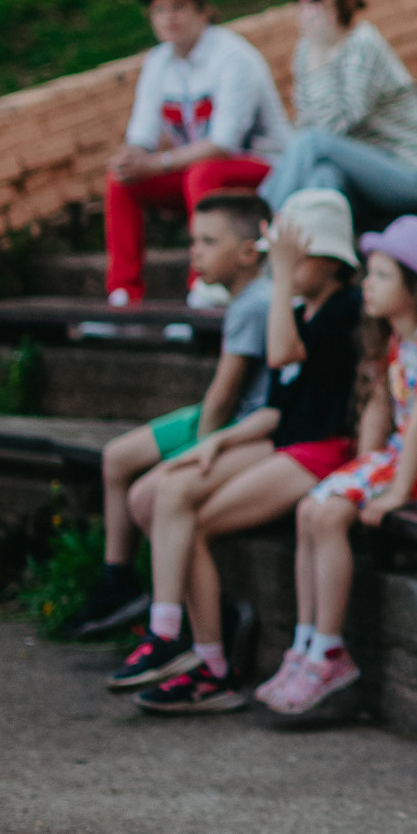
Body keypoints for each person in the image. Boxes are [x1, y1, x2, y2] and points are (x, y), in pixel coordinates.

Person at [108, 191, 363, 711]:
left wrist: (279, 284)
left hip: (322, 452)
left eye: (295, 256)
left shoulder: (342, 310)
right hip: (286, 441)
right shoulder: (301, 307)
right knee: (172, 493)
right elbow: (275, 408)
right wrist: (212, 444)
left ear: (330, 259)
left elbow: (280, 353)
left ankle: (193, 651)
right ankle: (200, 656)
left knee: (186, 512)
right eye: (278, 256)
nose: (283, 266)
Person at [258, 216, 417, 724]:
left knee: (328, 513)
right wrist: (360, 470)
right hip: (407, 458)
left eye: (380, 276)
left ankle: (329, 654)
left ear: (416, 288)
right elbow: (381, 404)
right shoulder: (397, 338)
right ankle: (305, 643)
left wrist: (393, 492)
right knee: (310, 508)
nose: (367, 286)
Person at [63, 194, 273, 641]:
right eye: (194, 240)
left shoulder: (257, 303)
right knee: (117, 458)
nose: (194, 251)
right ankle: (119, 583)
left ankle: (196, 617)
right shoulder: (246, 298)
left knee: (152, 495)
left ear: (248, 252)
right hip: (224, 411)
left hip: (240, 422)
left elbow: (222, 398)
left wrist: (196, 453)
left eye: (208, 241)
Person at [104, 0, 289, 306]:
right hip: (198, 175)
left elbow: (223, 144)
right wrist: (129, 158)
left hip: (265, 169)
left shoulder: (235, 58)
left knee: (201, 172)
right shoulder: (157, 62)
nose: (168, 17)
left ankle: (202, 287)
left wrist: (157, 162)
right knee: (121, 180)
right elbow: (141, 136)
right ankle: (123, 294)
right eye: (159, 9)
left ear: (204, 11)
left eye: (179, 6)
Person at [262, 0, 417, 232]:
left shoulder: (363, 43)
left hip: (411, 178)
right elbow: (307, 122)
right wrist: (317, 53)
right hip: (359, 179)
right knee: (324, 178)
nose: (306, 4)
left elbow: (335, 126)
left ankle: (255, 224)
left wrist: (320, 60)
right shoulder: (306, 50)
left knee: (313, 144)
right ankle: (297, 265)